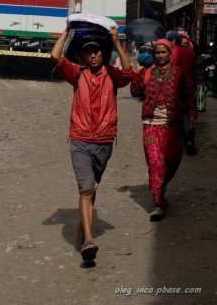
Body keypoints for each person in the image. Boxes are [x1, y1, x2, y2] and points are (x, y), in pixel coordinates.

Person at [51, 26, 133, 261]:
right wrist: (66, 33)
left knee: (92, 188)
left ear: (102, 54)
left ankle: (81, 225)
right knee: (86, 188)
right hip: (80, 141)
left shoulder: (111, 74)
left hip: (105, 142)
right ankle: (88, 240)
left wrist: (117, 43)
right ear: (83, 57)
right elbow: (55, 57)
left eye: (97, 51)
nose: (94, 55)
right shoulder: (77, 74)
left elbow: (129, 74)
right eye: (89, 52)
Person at [130, 39, 197, 221]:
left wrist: (191, 114)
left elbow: (189, 95)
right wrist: (136, 74)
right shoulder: (147, 73)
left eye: (163, 53)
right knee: (155, 163)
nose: (160, 56)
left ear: (169, 53)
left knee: (173, 160)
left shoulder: (179, 74)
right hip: (151, 125)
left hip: (172, 125)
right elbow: (135, 92)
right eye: (157, 53)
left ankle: (161, 186)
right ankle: (158, 202)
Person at [165, 30, 198, 155]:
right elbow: (195, 69)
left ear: (173, 41)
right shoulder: (190, 53)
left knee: (175, 115)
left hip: (174, 88)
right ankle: (189, 140)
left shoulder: (169, 54)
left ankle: (176, 141)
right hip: (189, 88)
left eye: (168, 40)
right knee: (189, 114)